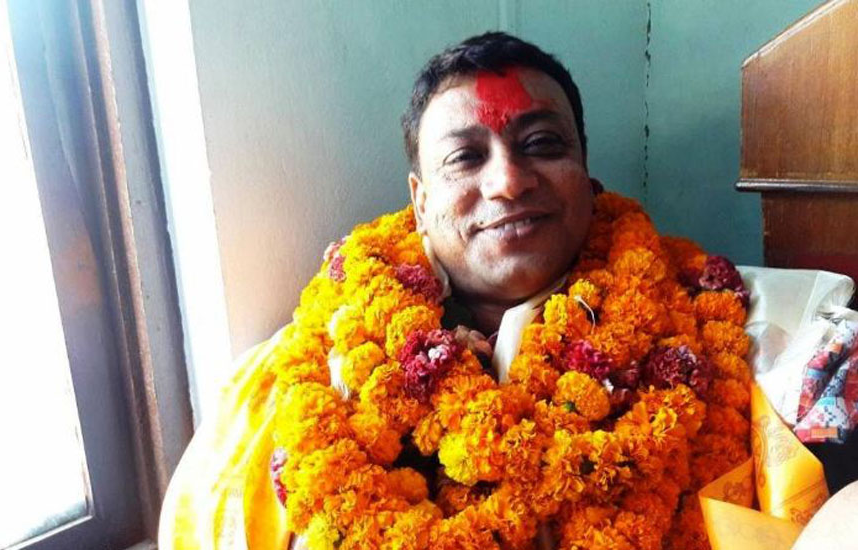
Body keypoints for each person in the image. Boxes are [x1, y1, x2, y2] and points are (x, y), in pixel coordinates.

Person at [159, 31, 856, 549]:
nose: (509, 182)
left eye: (542, 144)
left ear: (586, 175)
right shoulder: (291, 387)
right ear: (420, 202)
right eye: (466, 157)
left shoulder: (754, 331)